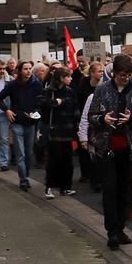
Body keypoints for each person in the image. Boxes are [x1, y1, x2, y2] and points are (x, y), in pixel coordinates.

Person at [88, 54, 132, 249]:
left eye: (129, 74)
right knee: (110, 190)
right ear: (114, 73)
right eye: (123, 74)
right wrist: (102, 119)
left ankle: (120, 227)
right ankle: (112, 231)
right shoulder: (102, 89)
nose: (126, 78)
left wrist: (131, 120)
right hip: (107, 146)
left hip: (128, 147)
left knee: (126, 191)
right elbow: (91, 116)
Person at [0, 61, 43, 191]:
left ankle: (26, 175)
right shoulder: (13, 85)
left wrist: (36, 111)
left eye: (30, 68)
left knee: (28, 153)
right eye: (25, 69)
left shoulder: (37, 85)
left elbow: (41, 102)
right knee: (20, 153)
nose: (28, 71)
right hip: (17, 122)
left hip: (31, 123)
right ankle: (23, 179)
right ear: (20, 70)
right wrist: (7, 110)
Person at [38, 67, 78, 198]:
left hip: (68, 130)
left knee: (67, 161)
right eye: (68, 76)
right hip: (54, 130)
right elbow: (41, 102)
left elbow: (74, 108)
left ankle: (65, 187)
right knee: (54, 160)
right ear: (61, 78)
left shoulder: (70, 91)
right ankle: (49, 187)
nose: (70, 79)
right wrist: (56, 102)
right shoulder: (49, 91)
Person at [74, 61, 105, 191]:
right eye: (99, 71)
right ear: (92, 73)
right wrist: (83, 136)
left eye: (103, 72)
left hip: (104, 130)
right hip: (92, 128)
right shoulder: (87, 92)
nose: (101, 74)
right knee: (92, 156)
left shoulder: (106, 91)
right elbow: (85, 115)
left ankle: (102, 180)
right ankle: (94, 180)